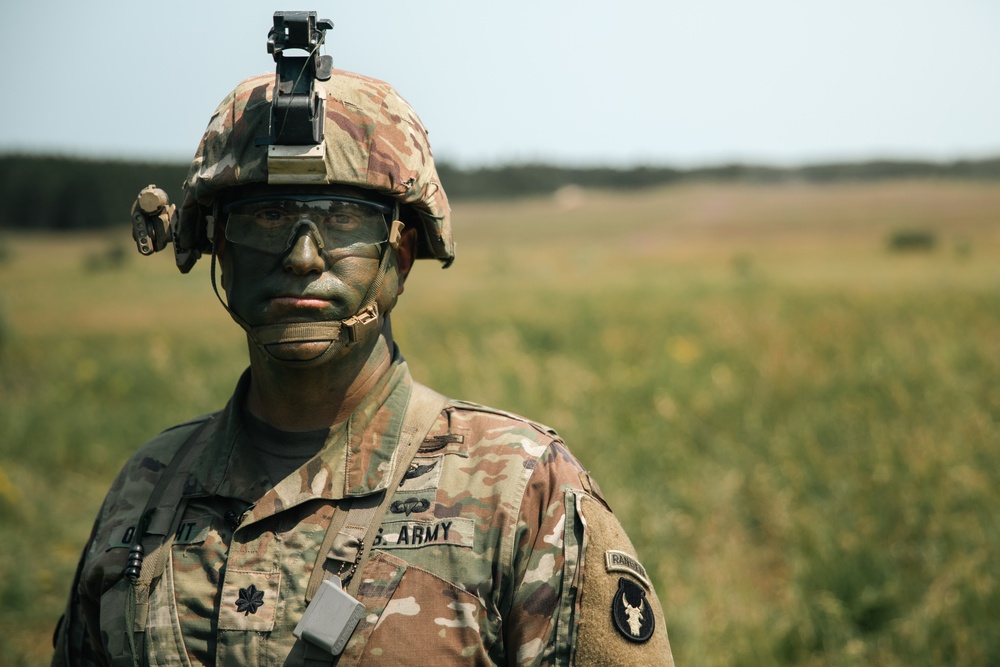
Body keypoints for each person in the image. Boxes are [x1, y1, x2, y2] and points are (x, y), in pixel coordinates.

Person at [52, 12, 674, 666]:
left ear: (402, 254)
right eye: (266, 215)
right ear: (219, 251)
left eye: (341, 217)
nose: (300, 256)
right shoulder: (146, 490)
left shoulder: (519, 489)